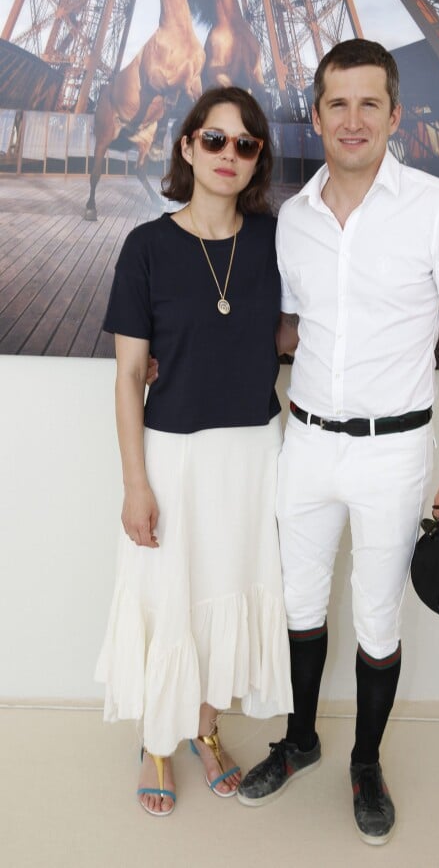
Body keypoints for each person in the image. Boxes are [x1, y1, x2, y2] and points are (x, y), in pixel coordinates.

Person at [236, 39, 439, 846]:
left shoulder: (437, 204)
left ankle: (365, 762)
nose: (352, 119)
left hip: (393, 453)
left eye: (368, 103)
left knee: (378, 621)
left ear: (395, 116)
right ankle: (302, 741)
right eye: (336, 103)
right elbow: (288, 331)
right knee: (302, 607)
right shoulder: (292, 221)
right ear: (315, 115)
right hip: (305, 443)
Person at [95, 87, 293, 817]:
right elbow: (126, 374)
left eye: (245, 145)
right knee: (166, 595)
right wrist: (133, 484)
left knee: (227, 593)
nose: (229, 156)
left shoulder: (276, 239)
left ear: (257, 159)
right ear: (186, 148)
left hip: (252, 453)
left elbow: (296, 331)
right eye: (215, 140)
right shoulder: (147, 246)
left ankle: (203, 728)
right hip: (172, 455)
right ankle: (157, 738)